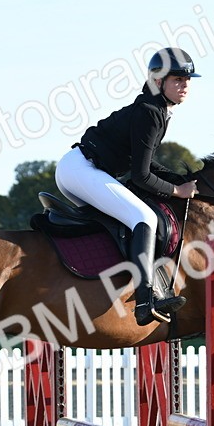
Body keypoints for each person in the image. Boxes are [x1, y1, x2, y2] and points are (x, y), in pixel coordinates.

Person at [55, 47, 200, 326]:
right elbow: (141, 176)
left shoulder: (156, 109)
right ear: (158, 82)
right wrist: (176, 191)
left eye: (188, 80)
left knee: (125, 217)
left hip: (79, 170)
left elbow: (146, 163)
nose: (185, 86)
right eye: (178, 80)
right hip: (82, 170)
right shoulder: (150, 112)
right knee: (143, 216)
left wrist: (179, 179)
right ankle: (146, 299)